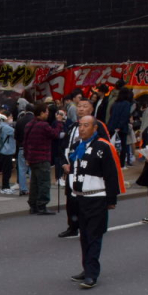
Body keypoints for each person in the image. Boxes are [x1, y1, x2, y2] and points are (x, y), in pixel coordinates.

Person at [67, 115, 123, 289]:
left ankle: (92, 273)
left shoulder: (103, 147)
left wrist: (111, 199)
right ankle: (86, 268)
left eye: (86, 125)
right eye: (80, 125)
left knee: (93, 236)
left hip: (96, 198)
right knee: (83, 236)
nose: (82, 128)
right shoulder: (77, 146)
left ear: (95, 128)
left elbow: (111, 174)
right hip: (79, 197)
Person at [58, 101, 110, 239]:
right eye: (79, 106)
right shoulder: (72, 127)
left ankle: (89, 226)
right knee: (71, 199)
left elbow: (106, 148)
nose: (81, 109)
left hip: (89, 170)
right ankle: (73, 226)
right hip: (72, 170)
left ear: (92, 109)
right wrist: (64, 164)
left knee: (86, 199)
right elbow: (64, 148)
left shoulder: (98, 126)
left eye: (85, 106)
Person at [22, 105, 59, 215]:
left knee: (34, 183)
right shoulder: (44, 125)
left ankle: (33, 205)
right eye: (46, 112)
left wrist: (26, 156)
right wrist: (59, 123)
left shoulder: (29, 125)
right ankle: (42, 205)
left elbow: (25, 142)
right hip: (43, 157)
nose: (47, 114)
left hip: (32, 158)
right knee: (44, 182)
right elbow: (55, 134)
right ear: (41, 113)